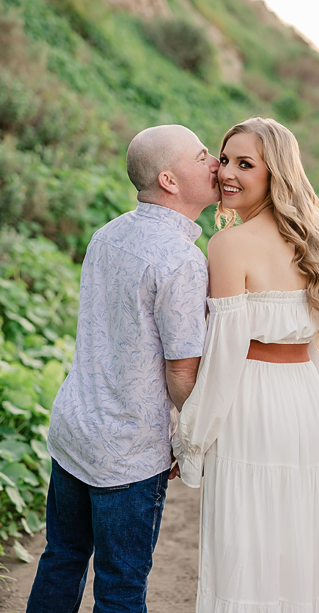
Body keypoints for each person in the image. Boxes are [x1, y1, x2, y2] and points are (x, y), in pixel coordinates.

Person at [27, 125, 221, 611]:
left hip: (75, 427)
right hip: (128, 449)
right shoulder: (182, 260)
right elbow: (181, 372)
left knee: (62, 558)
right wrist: (191, 438)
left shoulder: (108, 232)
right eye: (202, 157)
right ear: (170, 180)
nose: (215, 164)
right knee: (120, 587)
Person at [173, 117, 319, 611]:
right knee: (301, 534)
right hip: (300, 402)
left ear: (275, 173)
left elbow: (224, 357)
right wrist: (307, 408)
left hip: (248, 403)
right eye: (226, 159)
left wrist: (191, 439)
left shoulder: (227, 245)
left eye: (246, 164)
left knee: (243, 538)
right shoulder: (317, 239)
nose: (227, 173)